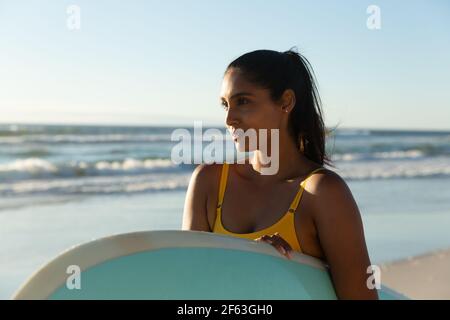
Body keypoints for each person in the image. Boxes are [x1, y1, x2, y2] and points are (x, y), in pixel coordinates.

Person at [182, 48, 378, 299]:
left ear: (286, 102)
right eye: (225, 105)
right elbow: (188, 287)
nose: (229, 119)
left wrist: (277, 272)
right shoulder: (208, 182)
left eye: (243, 101)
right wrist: (250, 263)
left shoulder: (322, 194)